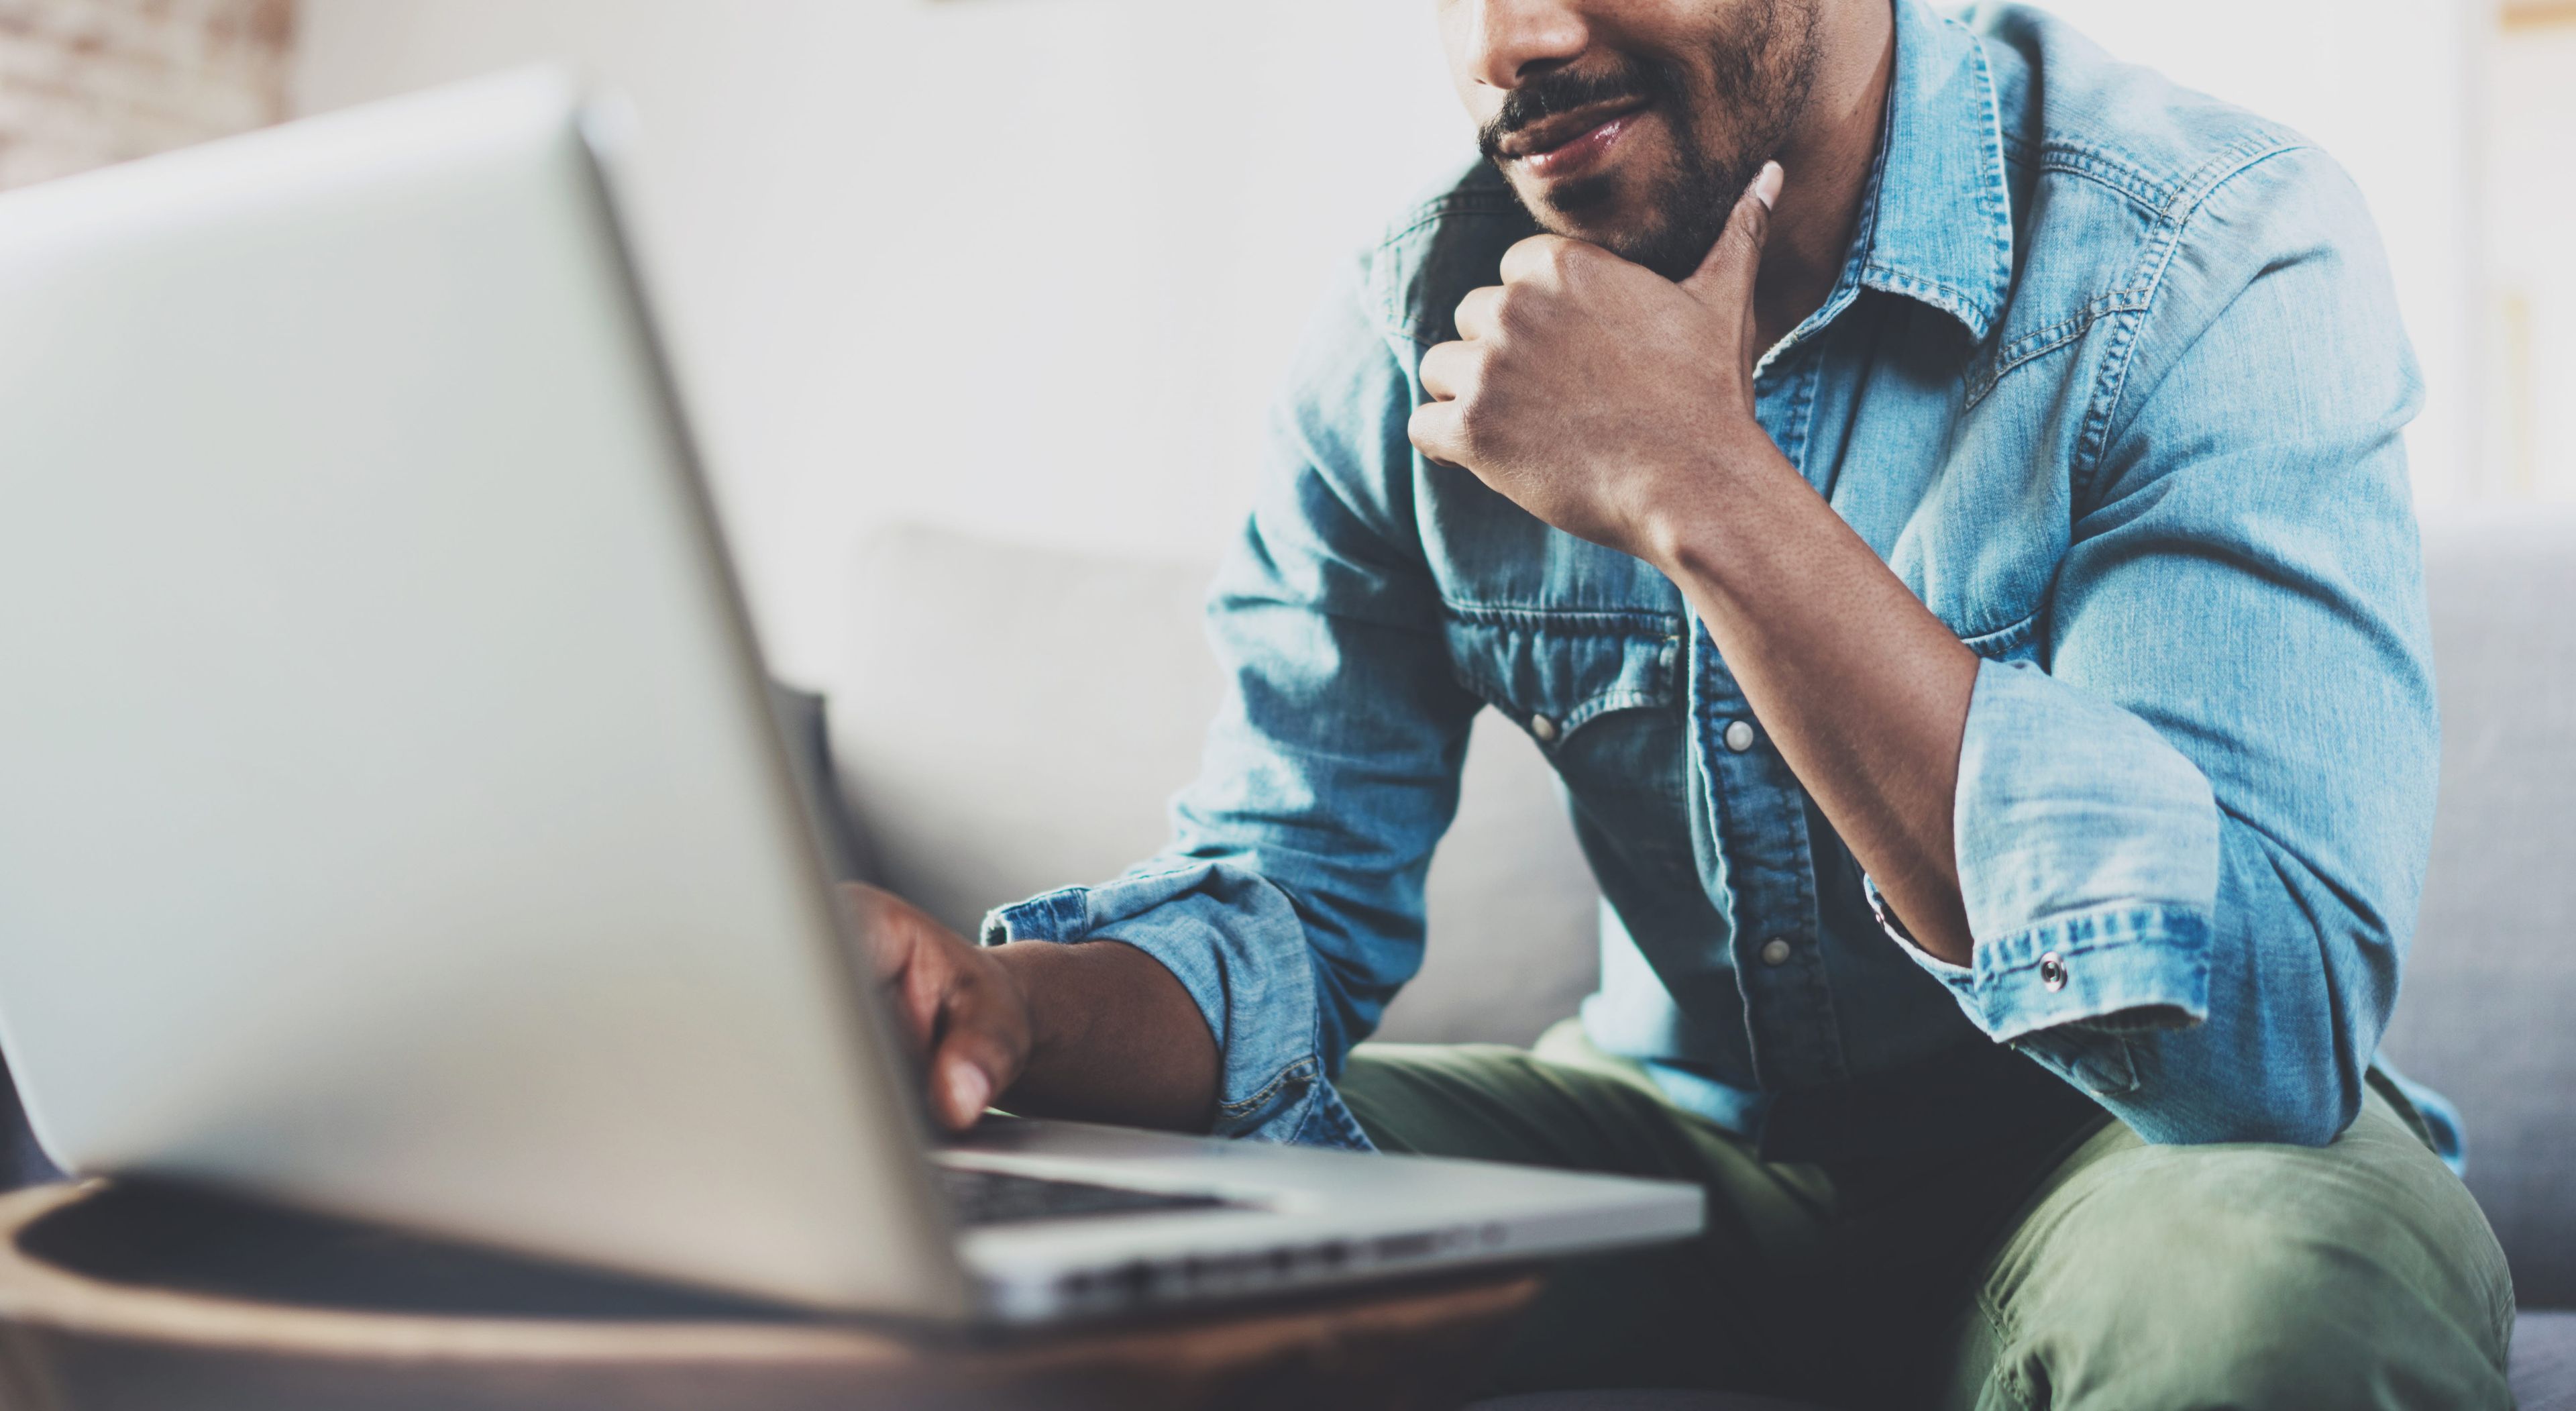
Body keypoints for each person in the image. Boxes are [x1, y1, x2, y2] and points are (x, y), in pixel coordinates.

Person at [849, 0, 2517, 1404]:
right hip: (1671, 1141)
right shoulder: (1406, 333)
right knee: (1077, 1226)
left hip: (2118, 1153)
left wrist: (1703, 484)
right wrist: (1009, 1012)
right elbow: (1292, 899)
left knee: (2281, 1284)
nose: (1519, 40)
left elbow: (2271, 1031)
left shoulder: (2201, 250)